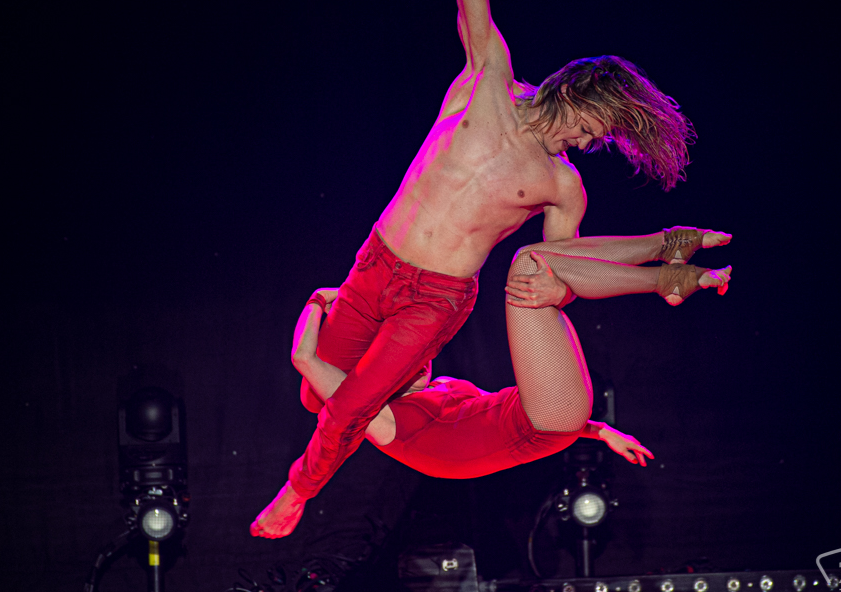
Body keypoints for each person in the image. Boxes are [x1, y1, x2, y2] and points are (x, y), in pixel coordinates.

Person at [262, 0, 701, 537]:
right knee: (315, 396)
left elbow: (561, 273)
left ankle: (297, 491)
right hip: (375, 264)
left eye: (598, 139)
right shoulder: (486, 80)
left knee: (352, 404)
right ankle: (406, 388)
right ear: (573, 90)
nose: (586, 144)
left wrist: (562, 291)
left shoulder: (562, 186)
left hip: (435, 299)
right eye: (592, 127)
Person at [251, 228, 731, 537]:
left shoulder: (440, 390)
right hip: (543, 422)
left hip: (552, 416)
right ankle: (665, 276)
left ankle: (668, 247)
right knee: (528, 269)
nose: (419, 354)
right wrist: (317, 301)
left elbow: (513, 409)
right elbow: (304, 359)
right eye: (404, 355)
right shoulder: (385, 422)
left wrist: (600, 431)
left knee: (538, 264)